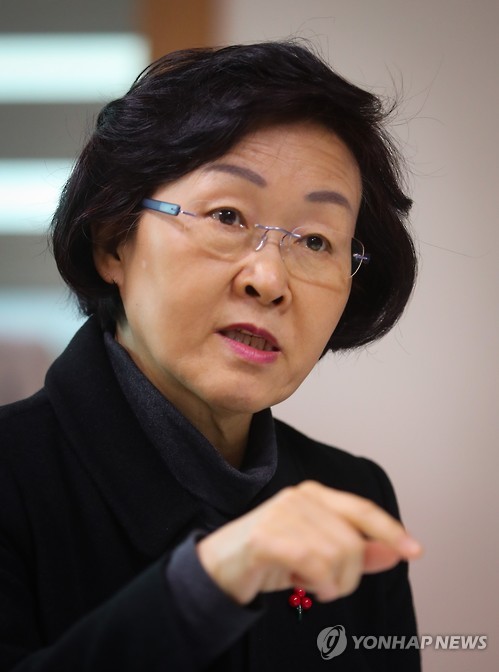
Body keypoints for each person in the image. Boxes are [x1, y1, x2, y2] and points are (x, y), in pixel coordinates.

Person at [0, 41, 423, 671]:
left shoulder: (353, 495)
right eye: (227, 215)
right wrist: (208, 584)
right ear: (114, 242)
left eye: (315, 241)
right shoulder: (13, 476)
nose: (269, 280)